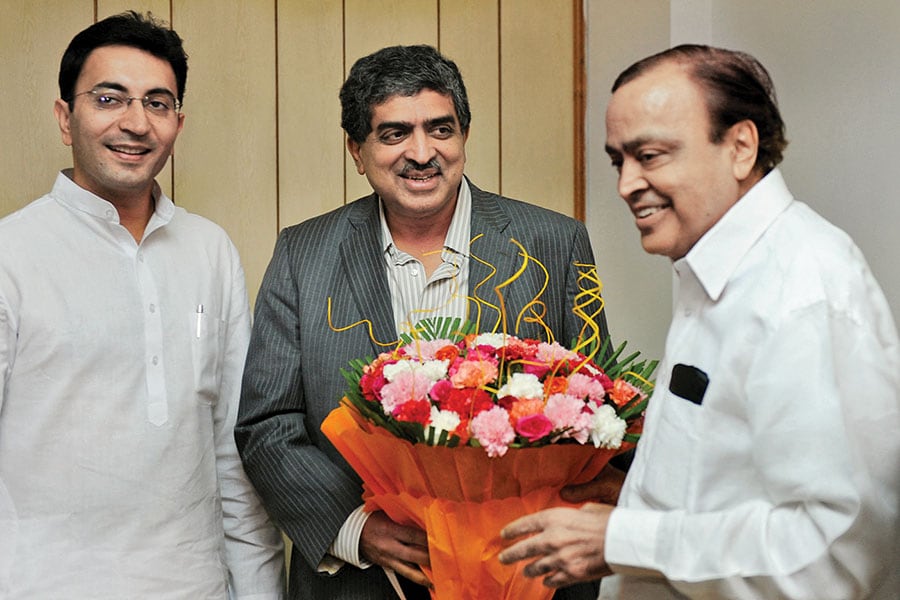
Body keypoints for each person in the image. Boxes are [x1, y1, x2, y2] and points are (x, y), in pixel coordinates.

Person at [498, 44, 900, 599]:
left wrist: (625, 541)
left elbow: (833, 551)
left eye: (652, 155)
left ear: (739, 147)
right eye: (620, 160)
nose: (626, 185)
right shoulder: (713, 274)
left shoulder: (802, 290)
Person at [235, 44, 609, 600]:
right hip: (362, 583)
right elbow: (268, 424)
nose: (422, 152)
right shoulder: (302, 255)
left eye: (441, 129)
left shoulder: (554, 243)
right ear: (356, 151)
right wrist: (359, 530)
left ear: (463, 136)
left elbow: (601, 414)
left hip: (525, 572)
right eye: (393, 134)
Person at [0, 11, 285, 598]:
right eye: (109, 98)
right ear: (64, 117)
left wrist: (260, 590)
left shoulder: (209, 249)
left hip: (195, 584)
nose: (136, 123)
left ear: (178, 123)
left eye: (157, 103)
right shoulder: (11, 253)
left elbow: (233, 450)